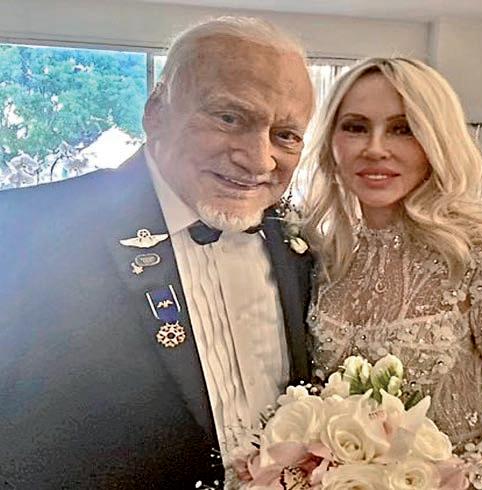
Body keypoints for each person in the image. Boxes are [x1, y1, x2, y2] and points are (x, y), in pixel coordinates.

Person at [0, 17, 314, 488]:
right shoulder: (24, 231)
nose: (259, 159)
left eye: (285, 135)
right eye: (229, 118)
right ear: (156, 113)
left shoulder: (300, 248)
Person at [301, 57, 482, 488]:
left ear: (436, 140)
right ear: (331, 141)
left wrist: (455, 478)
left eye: (403, 128)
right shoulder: (320, 253)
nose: (375, 148)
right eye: (356, 127)